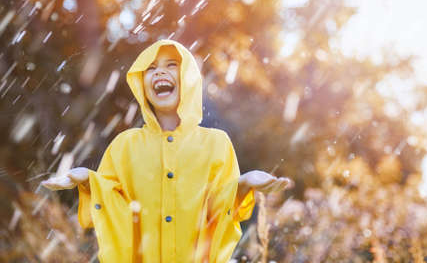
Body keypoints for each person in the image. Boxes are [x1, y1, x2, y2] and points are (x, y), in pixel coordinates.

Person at [41, 39, 294, 263]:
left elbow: (218, 210)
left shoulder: (216, 144)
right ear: (142, 83)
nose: (159, 71)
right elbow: (112, 206)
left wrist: (242, 185)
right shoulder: (124, 145)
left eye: (171, 65)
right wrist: (89, 181)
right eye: (150, 68)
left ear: (189, 78)